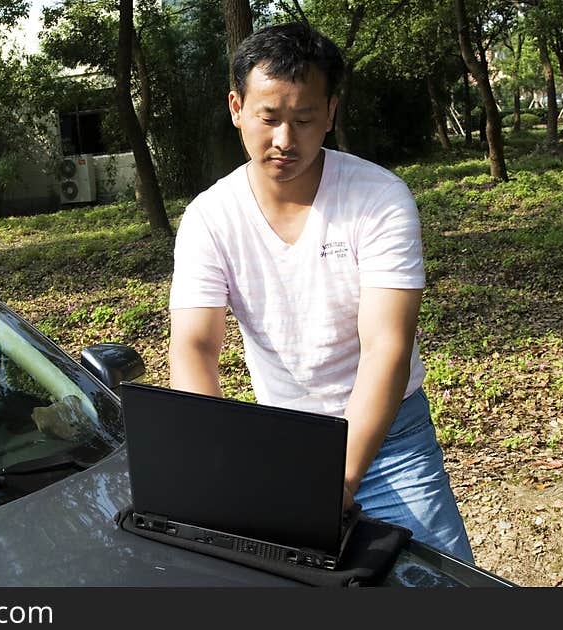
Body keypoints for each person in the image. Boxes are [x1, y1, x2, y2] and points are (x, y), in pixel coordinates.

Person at [167, 21, 474, 563]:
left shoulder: (379, 198)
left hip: (392, 439)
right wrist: (215, 458)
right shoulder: (209, 218)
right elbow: (194, 346)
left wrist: (343, 480)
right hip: (284, 441)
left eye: (304, 119)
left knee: (443, 585)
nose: (284, 140)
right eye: (268, 117)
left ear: (330, 114)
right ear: (236, 107)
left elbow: (387, 346)